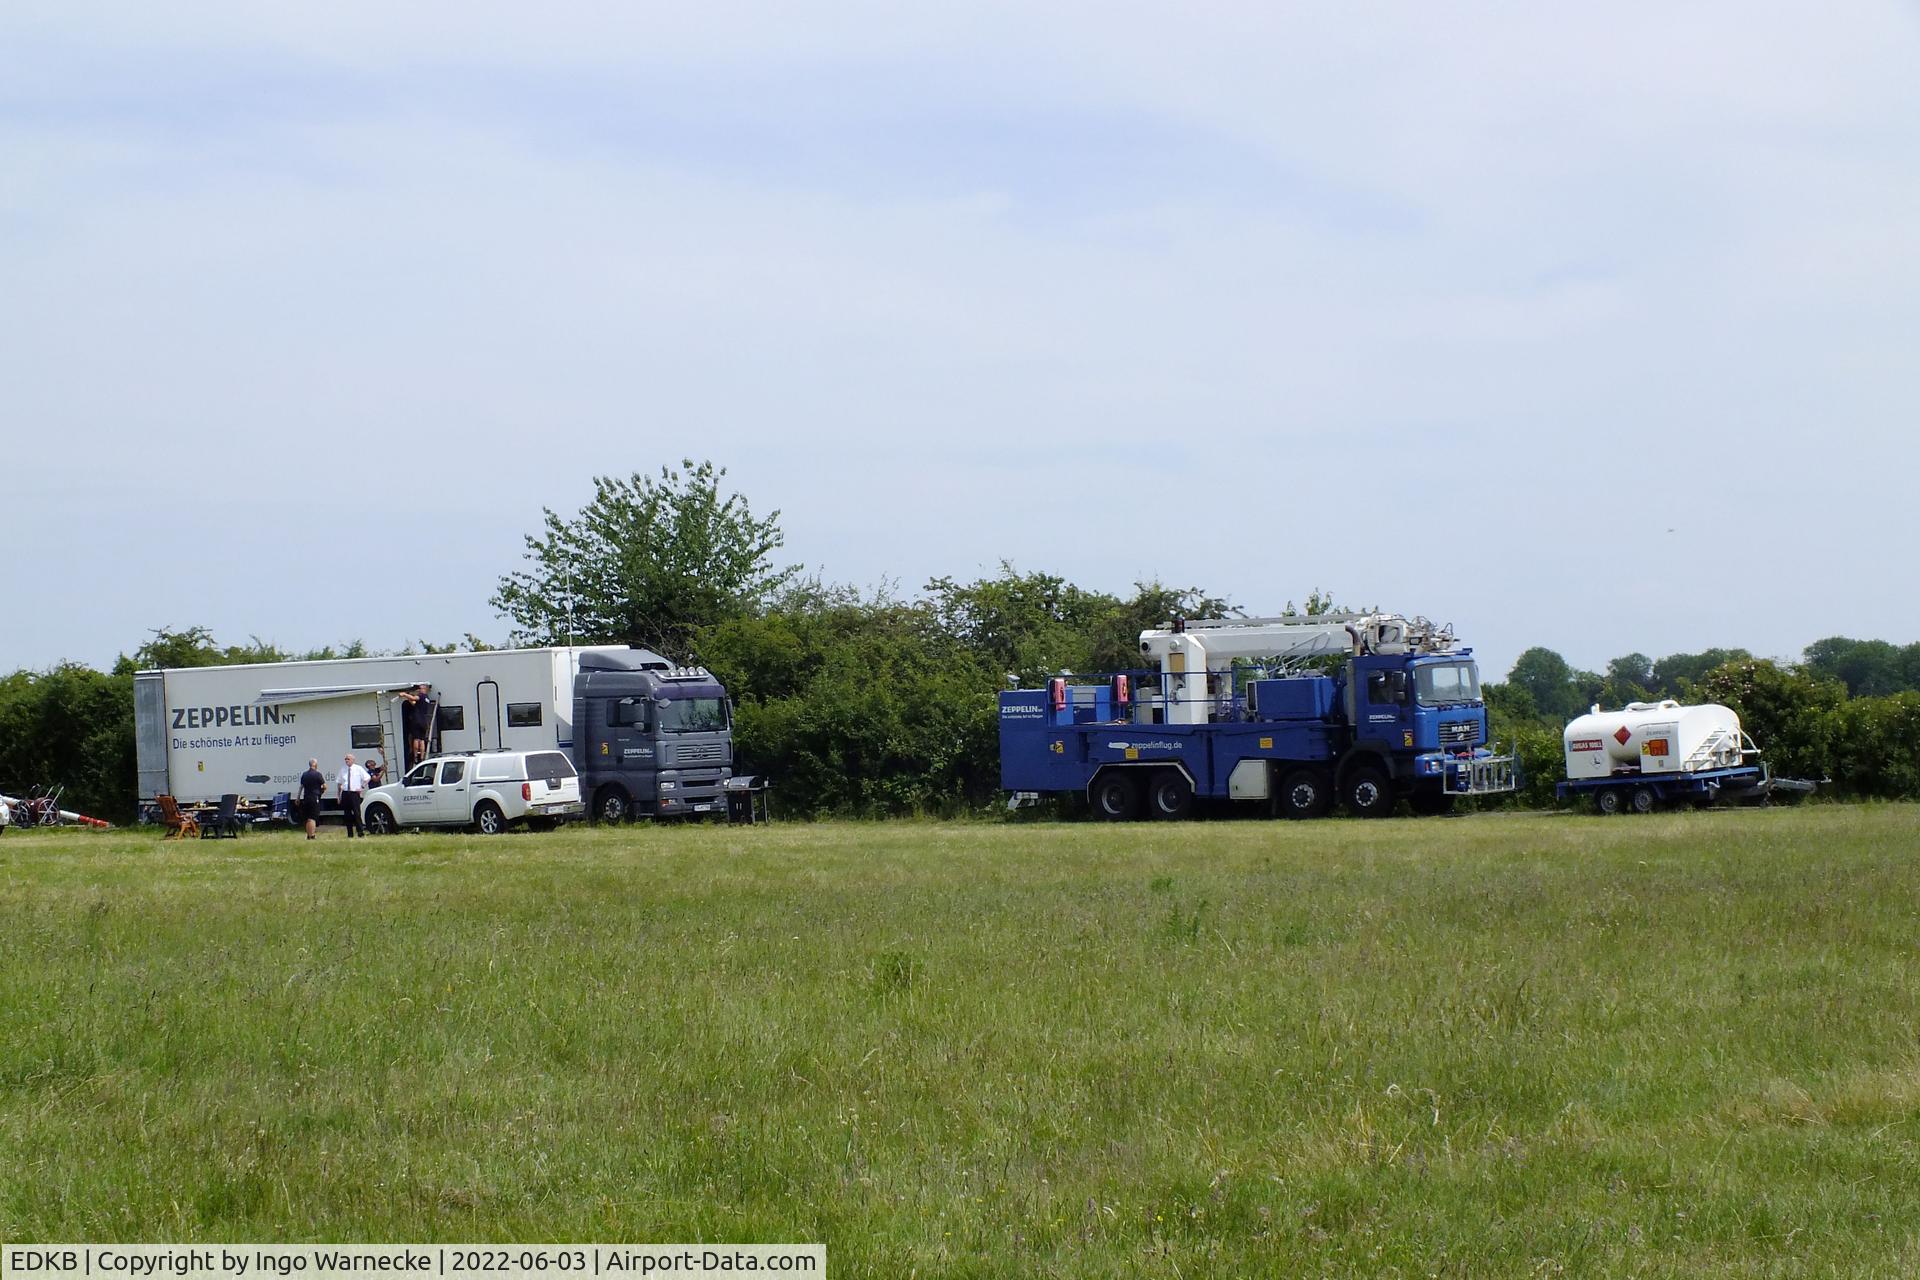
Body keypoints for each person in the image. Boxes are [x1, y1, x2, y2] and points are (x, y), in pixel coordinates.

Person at [398, 683, 435, 767]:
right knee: (422, 739)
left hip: (416, 720)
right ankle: (422, 756)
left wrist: (404, 694)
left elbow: (414, 698)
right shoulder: (427, 698)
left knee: (416, 739)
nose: (418, 690)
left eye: (420, 688)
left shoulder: (421, 696)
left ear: (424, 689)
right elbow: (415, 704)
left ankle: (415, 757)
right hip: (424, 721)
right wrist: (409, 699)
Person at [336, 752, 371, 838]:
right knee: (347, 814)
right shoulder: (343, 769)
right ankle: (350, 834)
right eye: (345, 759)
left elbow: (367, 778)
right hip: (345, 793)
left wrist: (362, 786)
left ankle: (360, 832)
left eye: (348, 759)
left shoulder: (358, 768)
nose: (346, 760)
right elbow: (339, 782)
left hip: (354, 793)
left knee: (357, 813)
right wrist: (338, 795)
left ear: (353, 760)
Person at [298, 758, 326, 840]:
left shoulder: (304, 774)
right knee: (312, 818)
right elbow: (324, 786)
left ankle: (308, 835)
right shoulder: (318, 774)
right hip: (314, 797)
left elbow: (301, 787)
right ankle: (312, 835)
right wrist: (321, 792)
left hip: (306, 797)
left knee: (307, 818)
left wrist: (298, 797)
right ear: (315, 764)